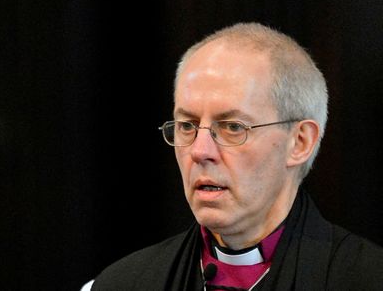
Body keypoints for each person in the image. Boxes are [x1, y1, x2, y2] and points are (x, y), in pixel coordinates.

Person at [82, 22, 383, 290]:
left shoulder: (366, 278)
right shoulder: (123, 283)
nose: (200, 152)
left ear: (299, 142)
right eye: (187, 126)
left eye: (232, 128)